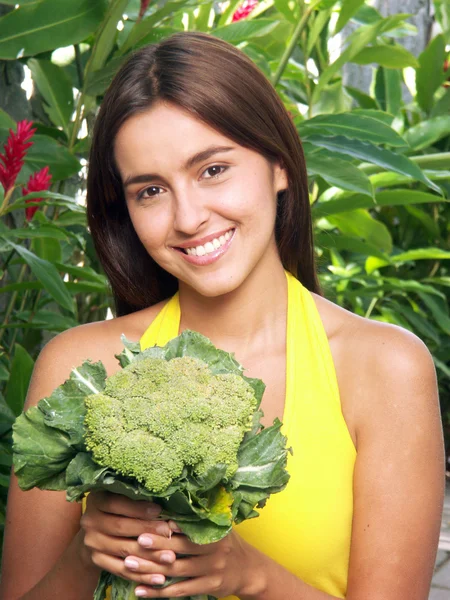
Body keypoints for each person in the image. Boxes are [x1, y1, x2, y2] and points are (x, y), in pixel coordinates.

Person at [0, 31, 445, 600]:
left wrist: (247, 573)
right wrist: (87, 556)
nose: (188, 218)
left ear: (279, 165)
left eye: (212, 170)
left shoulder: (385, 368)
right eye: (151, 190)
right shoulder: (79, 367)